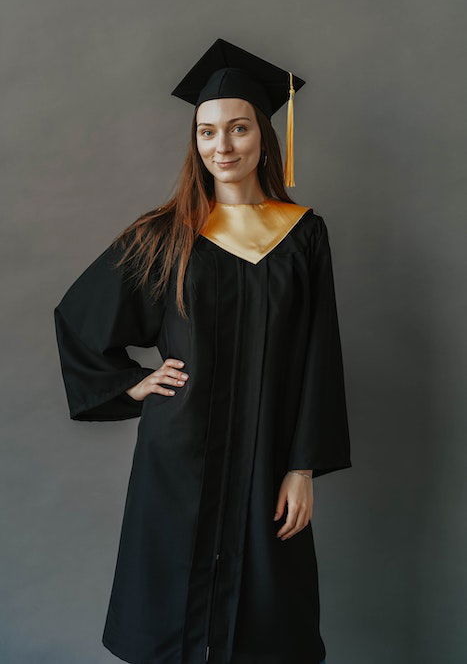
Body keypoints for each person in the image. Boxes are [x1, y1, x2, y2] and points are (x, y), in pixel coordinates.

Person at [54, 38, 350, 664]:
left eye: (238, 129)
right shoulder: (168, 233)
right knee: (170, 615)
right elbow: (79, 319)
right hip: (179, 456)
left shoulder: (302, 235)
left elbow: (318, 356)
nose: (223, 147)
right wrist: (132, 383)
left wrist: (302, 466)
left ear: (264, 136)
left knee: (267, 625)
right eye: (207, 132)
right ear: (196, 141)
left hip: (268, 455)